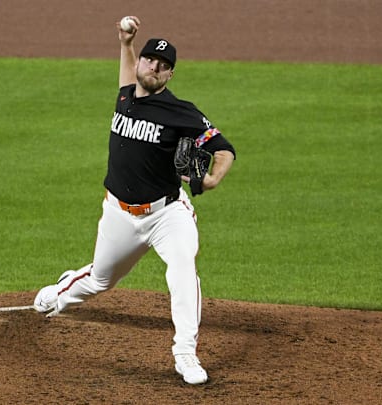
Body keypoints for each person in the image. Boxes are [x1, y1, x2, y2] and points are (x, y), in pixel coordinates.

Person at [33, 16, 236, 385]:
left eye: (163, 66)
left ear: (169, 75)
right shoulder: (126, 93)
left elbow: (224, 149)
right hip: (119, 214)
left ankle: (185, 353)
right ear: (141, 63)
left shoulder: (180, 112)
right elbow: (127, 74)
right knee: (99, 280)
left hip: (167, 213)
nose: (154, 68)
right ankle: (60, 296)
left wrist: (211, 179)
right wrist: (125, 42)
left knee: (182, 269)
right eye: (149, 60)